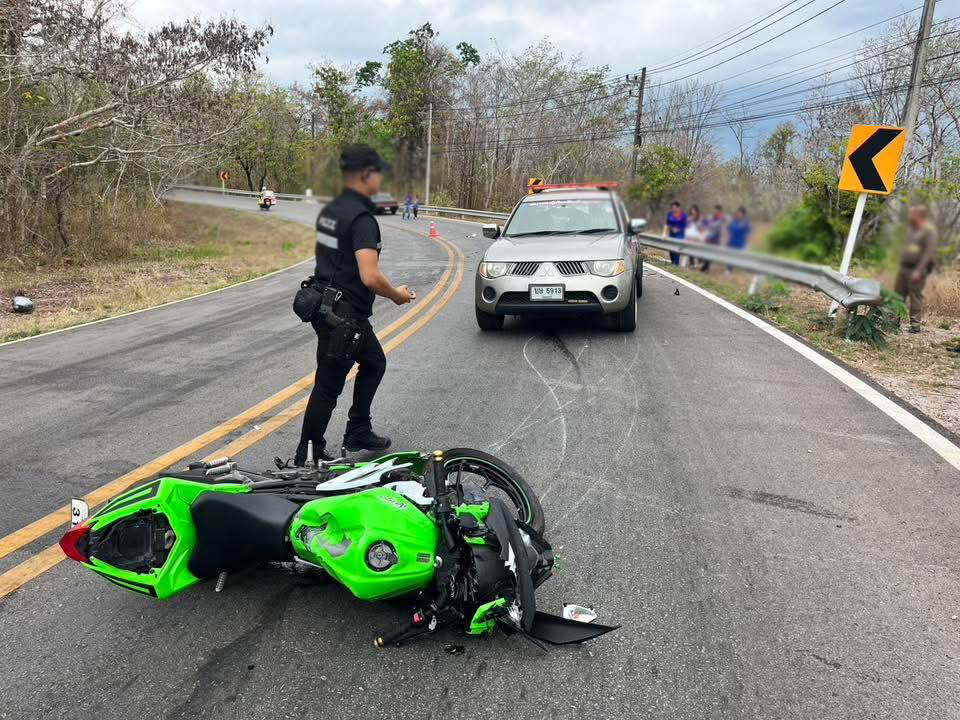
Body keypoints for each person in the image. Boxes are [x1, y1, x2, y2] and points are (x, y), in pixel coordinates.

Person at [295, 144, 416, 465]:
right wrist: (397, 294)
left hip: (327, 306)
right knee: (328, 385)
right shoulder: (362, 219)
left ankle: (358, 429)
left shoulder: (331, 212)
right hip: (344, 317)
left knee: (374, 362)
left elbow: (333, 260)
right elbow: (370, 276)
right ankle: (308, 455)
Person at [896, 205, 939, 333]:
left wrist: (919, 270)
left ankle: (915, 325)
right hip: (904, 267)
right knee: (898, 295)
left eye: (912, 214)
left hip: (916, 270)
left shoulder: (929, 231)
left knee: (915, 297)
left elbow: (928, 253)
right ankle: (893, 322)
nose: (910, 216)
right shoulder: (912, 230)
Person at [699, 204, 726, 273]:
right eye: (714, 210)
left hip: (716, 239)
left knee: (710, 254)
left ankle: (705, 268)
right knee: (706, 253)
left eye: (716, 210)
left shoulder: (721, 219)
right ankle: (705, 267)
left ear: (719, 211)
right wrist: (703, 221)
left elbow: (715, 226)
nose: (715, 212)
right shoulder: (711, 217)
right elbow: (707, 224)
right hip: (709, 238)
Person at [726, 206, 751, 273]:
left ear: (743, 215)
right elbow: (728, 229)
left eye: (740, 213)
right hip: (731, 242)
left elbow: (748, 233)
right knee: (730, 256)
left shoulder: (746, 223)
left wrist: (748, 244)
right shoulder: (734, 221)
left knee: (738, 258)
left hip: (740, 243)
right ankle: (729, 269)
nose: (739, 215)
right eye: (738, 213)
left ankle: (743, 268)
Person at [662, 201, 687, 266]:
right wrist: (664, 233)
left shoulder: (683, 215)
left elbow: (686, 226)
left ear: (678, 208)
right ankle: (673, 261)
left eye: (675, 208)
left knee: (676, 247)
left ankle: (676, 263)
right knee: (671, 248)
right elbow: (667, 224)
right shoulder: (670, 214)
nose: (674, 209)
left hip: (680, 234)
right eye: (673, 208)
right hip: (672, 233)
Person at [684, 205, 703, 269]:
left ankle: (700, 263)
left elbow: (702, 228)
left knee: (698, 251)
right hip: (690, 237)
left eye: (694, 210)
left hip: (697, 237)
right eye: (692, 210)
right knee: (690, 250)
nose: (693, 212)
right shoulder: (689, 218)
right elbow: (687, 228)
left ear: (697, 211)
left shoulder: (700, 219)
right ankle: (692, 263)